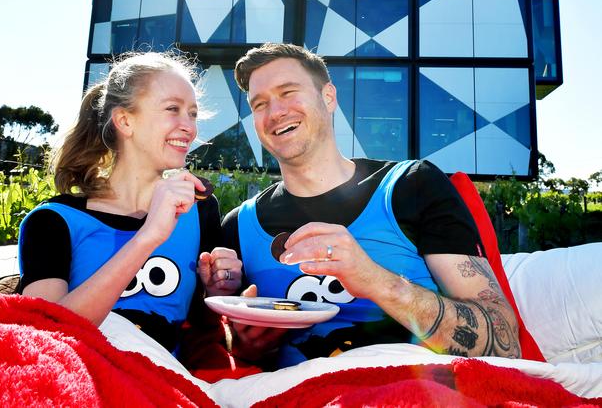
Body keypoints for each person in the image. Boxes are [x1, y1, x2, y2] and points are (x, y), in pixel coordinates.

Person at [222, 43, 521, 369]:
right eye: (259, 104)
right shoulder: (238, 226)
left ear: (328, 97)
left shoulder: (412, 186)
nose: (275, 112)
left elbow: (504, 344)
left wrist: (377, 281)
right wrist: (251, 347)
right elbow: (235, 357)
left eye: (288, 92)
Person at [18, 52, 242, 358]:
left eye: (192, 113)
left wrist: (218, 291)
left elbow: (202, 329)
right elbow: (44, 336)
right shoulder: (53, 221)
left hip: (165, 388)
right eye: (172, 109)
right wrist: (148, 236)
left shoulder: (200, 210)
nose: (188, 126)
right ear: (125, 121)